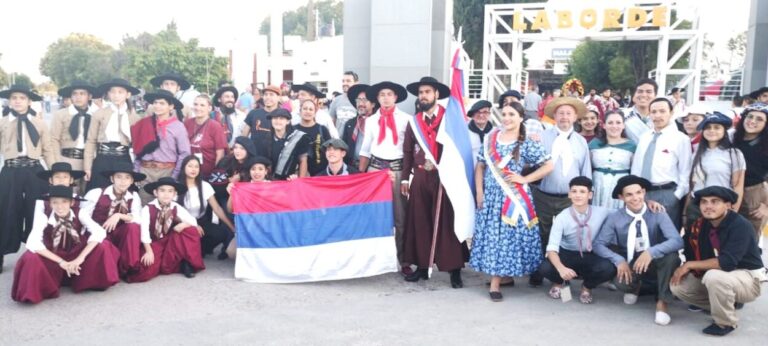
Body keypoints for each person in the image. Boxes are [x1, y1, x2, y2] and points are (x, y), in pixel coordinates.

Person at [470, 102, 554, 301]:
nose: (506, 118)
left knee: (505, 240)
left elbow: (549, 165)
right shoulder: (491, 138)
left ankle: (495, 283)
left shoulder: (526, 142)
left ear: (521, 118)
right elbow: (480, 166)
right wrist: (479, 191)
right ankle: (503, 277)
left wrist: (525, 179)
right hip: (491, 197)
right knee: (492, 238)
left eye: (512, 114)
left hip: (512, 199)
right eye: (504, 114)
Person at [671, 186, 767, 336]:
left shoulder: (740, 225)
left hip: (748, 278)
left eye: (715, 202)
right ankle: (725, 303)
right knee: (678, 286)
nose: (708, 206)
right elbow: (684, 245)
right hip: (721, 276)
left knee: (714, 276)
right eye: (704, 202)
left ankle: (725, 323)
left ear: (728, 205)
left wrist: (689, 265)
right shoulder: (699, 225)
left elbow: (726, 262)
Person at [401, 77, 468, 288]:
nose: (423, 96)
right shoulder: (414, 121)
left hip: (445, 177)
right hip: (420, 178)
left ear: (436, 95)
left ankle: (454, 270)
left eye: (427, 92)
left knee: (447, 223)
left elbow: (459, 146)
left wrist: (443, 166)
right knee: (420, 222)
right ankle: (422, 267)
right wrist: (405, 177)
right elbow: (408, 151)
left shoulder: (450, 118)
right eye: (421, 92)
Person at [593, 175, 683, 326]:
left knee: (672, 257)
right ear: (621, 197)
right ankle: (636, 287)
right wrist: (618, 260)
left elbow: (677, 240)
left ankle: (662, 303)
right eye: (629, 194)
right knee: (620, 283)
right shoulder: (615, 217)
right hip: (631, 263)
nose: (635, 198)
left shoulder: (657, 212)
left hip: (654, 261)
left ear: (644, 193)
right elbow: (599, 244)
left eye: (638, 192)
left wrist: (651, 252)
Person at [11, 185, 120, 304]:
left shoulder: (80, 213)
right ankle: (39, 288)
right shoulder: (44, 216)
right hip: (54, 258)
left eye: (64, 202)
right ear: (50, 204)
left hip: (76, 257)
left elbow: (98, 232)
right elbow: (33, 242)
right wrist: (61, 262)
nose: (59, 206)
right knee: (30, 256)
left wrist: (79, 259)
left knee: (103, 245)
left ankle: (90, 281)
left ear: (72, 202)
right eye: (55, 202)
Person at [530, 96, 592, 286]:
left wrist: (585, 196)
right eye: (561, 113)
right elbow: (531, 163)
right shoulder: (542, 137)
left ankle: (564, 273)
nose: (564, 117)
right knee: (542, 233)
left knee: (569, 234)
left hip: (569, 198)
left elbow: (585, 170)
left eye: (568, 113)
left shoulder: (581, 142)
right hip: (543, 195)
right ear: (554, 116)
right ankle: (539, 270)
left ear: (575, 117)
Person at [358, 81, 411, 276]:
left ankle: (403, 259)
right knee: (374, 216)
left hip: (397, 170)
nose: (386, 97)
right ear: (377, 98)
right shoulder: (371, 121)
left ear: (395, 97)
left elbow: (410, 150)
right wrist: (361, 177)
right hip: (375, 171)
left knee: (400, 217)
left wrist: (407, 177)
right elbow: (365, 148)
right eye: (382, 94)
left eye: (390, 94)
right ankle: (373, 260)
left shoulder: (406, 120)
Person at [0, 84, 55, 272]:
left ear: (29, 101)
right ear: (9, 101)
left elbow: (47, 149)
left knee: (37, 210)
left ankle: (38, 251)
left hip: (34, 171)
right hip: (11, 170)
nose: (17, 101)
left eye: (22, 98)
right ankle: (2, 251)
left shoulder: (39, 123)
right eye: (14, 97)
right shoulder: (3, 122)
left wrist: (54, 172)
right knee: (6, 210)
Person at [538, 177, 616, 304]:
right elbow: (552, 249)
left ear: (590, 195)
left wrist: (649, 204)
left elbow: (624, 213)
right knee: (544, 267)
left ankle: (587, 287)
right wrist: (561, 268)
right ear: (569, 194)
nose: (578, 195)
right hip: (567, 253)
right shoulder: (562, 217)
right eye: (574, 191)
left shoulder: (602, 212)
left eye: (582, 192)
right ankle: (560, 282)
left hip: (590, 254)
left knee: (609, 268)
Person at [126, 177, 205, 282]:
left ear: (174, 194)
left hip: (168, 241)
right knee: (143, 272)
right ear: (155, 192)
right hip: (153, 243)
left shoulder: (175, 207)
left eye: (170, 191)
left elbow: (193, 221)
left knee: (191, 230)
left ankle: (185, 262)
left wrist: (184, 224)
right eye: (162, 190)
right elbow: (144, 233)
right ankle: (162, 263)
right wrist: (149, 252)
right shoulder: (148, 209)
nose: (166, 194)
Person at [631, 97, 692, 229]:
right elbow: (637, 166)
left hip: (667, 192)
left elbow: (685, 171)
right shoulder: (645, 137)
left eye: (662, 111)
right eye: (653, 112)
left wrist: (676, 196)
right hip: (643, 193)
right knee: (643, 232)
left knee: (666, 235)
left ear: (670, 113)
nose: (657, 115)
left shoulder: (681, 139)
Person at [79, 161, 144, 277]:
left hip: (119, 234)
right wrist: (97, 232)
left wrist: (118, 215)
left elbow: (138, 218)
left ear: (132, 181)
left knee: (133, 227)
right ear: (112, 178)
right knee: (103, 246)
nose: (123, 181)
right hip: (97, 232)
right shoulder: (96, 193)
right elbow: (83, 216)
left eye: (127, 178)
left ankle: (128, 267)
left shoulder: (133, 196)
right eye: (119, 177)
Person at [683, 112, 745, 228]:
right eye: (708, 128)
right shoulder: (697, 153)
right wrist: (685, 212)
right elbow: (691, 184)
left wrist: (733, 211)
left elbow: (738, 186)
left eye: (717, 128)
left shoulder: (734, 154)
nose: (712, 131)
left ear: (724, 131)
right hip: (697, 206)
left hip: (721, 206)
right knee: (694, 243)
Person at [131, 90, 191, 204]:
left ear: (171, 106)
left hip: (167, 170)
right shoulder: (145, 123)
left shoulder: (178, 127)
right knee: (144, 204)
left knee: (165, 205)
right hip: (146, 171)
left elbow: (184, 153)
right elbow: (138, 149)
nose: (157, 106)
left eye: (162, 103)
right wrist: (136, 171)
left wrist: (174, 175)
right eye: (155, 103)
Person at [84, 78, 140, 191]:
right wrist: (87, 167)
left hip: (123, 159)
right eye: (112, 92)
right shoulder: (99, 114)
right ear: (108, 94)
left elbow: (138, 145)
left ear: (128, 94)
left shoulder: (135, 117)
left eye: (120, 92)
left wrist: (137, 168)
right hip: (102, 159)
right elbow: (91, 141)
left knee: (122, 193)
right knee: (99, 192)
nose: (116, 95)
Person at [177, 155, 235, 259]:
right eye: (190, 166)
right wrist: (192, 225)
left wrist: (232, 227)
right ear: (183, 167)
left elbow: (217, 208)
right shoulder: (177, 186)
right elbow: (175, 213)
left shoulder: (205, 186)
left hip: (201, 222)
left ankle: (202, 249)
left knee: (221, 233)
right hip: (183, 224)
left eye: (196, 166)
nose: (193, 169)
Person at [50, 80, 98, 194]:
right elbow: (54, 139)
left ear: (89, 96)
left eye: (82, 94)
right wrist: (58, 163)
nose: (78, 97)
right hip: (68, 159)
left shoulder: (96, 115)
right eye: (75, 94)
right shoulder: (61, 114)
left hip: (90, 160)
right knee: (70, 193)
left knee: (88, 193)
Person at [733, 102, 768, 240]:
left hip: (754, 194)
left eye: (759, 119)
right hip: (730, 192)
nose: (752, 121)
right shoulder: (732, 138)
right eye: (750, 116)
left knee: (749, 240)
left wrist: (766, 206)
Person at [589, 110, 636, 209]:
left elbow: (635, 171)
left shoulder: (631, 145)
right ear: (604, 125)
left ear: (623, 125)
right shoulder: (594, 143)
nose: (614, 126)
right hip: (598, 185)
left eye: (618, 122)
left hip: (620, 186)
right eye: (610, 123)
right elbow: (587, 167)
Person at [252, 108, 310, 180]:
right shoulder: (264, 139)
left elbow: (303, 160)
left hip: (290, 180)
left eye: (281, 118)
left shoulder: (299, 137)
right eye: (275, 118)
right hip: (270, 181)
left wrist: (300, 181)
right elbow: (262, 163)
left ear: (288, 121)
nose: (278, 121)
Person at [184, 94, 228, 179]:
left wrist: (215, 172)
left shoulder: (215, 126)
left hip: (208, 173)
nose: (198, 108)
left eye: (202, 105)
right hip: (190, 172)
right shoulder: (187, 123)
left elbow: (220, 152)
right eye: (196, 104)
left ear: (209, 108)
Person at [295, 99, 332, 176]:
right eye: (305, 109)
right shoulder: (293, 130)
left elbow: (330, 149)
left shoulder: (322, 129)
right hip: (298, 173)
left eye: (311, 109)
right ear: (300, 111)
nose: (307, 111)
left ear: (315, 113)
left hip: (320, 173)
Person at [340, 84, 374, 167]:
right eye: (358, 100)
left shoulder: (378, 122)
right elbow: (344, 146)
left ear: (373, 104)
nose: (360, 103)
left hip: (371, 167)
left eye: (364, 100)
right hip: (352, 167)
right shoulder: (350, 123)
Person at [624, 79, 658, 143]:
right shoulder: (623, 115)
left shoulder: (663, 117)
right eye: (640, 91)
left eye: (648, 92)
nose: (643, 95)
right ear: (634, 95)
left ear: (655, 96)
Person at [329, 71, 359, 136]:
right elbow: (331, 123)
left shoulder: (360, 101)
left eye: (348, 81)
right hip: (339, 142)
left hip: (354, 141)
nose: (345, 83)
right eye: (343, 81)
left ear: (356, 83)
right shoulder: (336, 100)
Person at [467, 100, 493, 167]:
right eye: (477, 112)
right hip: (470, 169)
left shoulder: (495, 132)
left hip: (489, 171)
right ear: (472, 115)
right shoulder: (465, 132)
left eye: (485, 112)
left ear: (489, 114)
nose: (481, 115)